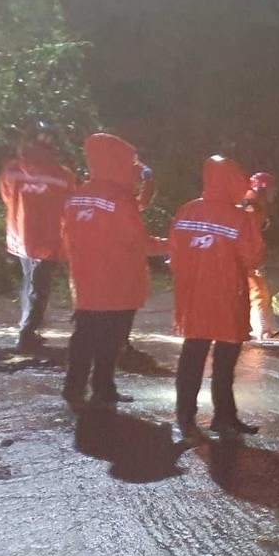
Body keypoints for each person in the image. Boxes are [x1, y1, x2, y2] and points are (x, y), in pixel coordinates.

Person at [61, 133, 167, 410]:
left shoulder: (78, 196)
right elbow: (141, 243)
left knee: (84, 336)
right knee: (111, 341)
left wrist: (147, 185)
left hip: (85, 281)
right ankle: (103, 389)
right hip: (118, 284)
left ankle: (73, 387)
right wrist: (174, 245)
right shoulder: (120, 199)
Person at [169, 156, 265, 443]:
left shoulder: (187, 210)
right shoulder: (240, 218)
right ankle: (223, 417)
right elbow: (253, 256)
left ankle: (184, 414)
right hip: (227, 298)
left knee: (192, 355)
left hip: (193, 298)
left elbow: (174, 252)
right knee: (224, 362)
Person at [0, 121, 76, 353]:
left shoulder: (12, 170)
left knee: (30, 284)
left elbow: (6, 197)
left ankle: (28, 329)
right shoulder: (62, 174)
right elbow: (70, 206)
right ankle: (27, 334)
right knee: (40, 286)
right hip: (50, 238)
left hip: (21, 237)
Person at [240, 172, 275, 339]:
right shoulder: (252, 205)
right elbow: (249, 236)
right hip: (244, 258)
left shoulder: (251, 202)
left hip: (242, 257)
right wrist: (253, 260)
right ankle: (261, 329)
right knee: (258, 293)